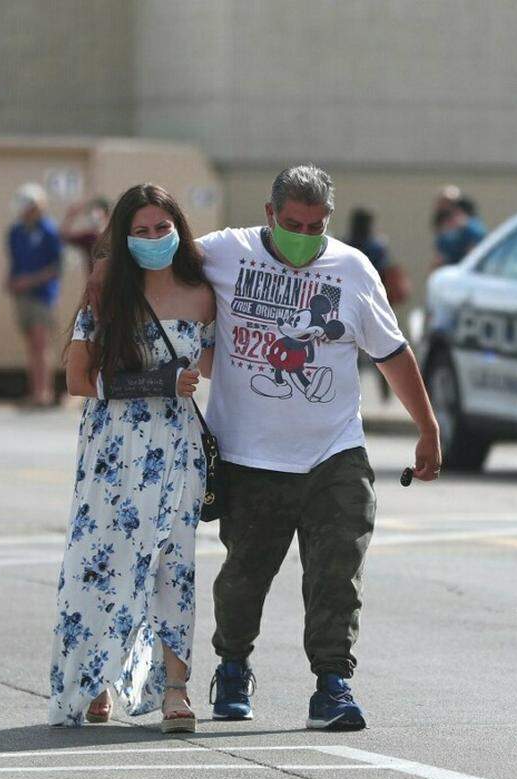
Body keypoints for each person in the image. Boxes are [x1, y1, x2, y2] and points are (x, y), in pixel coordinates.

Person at [192, 165, 440, 729]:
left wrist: (427, 426)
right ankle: (232, 666)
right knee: (245, 575)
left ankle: (333, 685)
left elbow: (391, 351)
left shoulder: (352, 269)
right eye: (292, 223)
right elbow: (158, 273)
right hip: (249, 458)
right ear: (270, 214)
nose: (303, 235)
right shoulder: (223, 253)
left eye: (315, 225)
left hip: (334, 451)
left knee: (337, 572)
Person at [49, 183, 215, 730]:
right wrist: (158, 381)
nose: (152, 239)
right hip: (113, 449)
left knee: (174, 566)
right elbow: (78, 378)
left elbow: (221, 364)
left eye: (161, 229)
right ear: (123, 237)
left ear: (178, 230)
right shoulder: (106, 293)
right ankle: (94, 678)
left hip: (178, 450)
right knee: (102, 563)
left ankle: (175, 691)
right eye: (139, 231)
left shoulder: (203, 292)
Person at [344, 208, 411, 402]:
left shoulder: (346, 244)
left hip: (349, 306)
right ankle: (386, 395)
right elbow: (384, 271)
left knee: (351, 354)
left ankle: (350, 395)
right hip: (374, 306)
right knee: (383, 352)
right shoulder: (377, 246)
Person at [6, 183, 63, 407]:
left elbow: (56, 267)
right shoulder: (16, 231)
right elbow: (15, 262)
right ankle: (35, 390)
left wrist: (29, 280)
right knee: (30, 344)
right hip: (22, 296)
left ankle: (44, 392)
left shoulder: (49, 230)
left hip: (42, 295)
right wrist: (12, 280)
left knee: (41, 343)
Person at [433, 189, 486, 267]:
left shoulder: (471, 226)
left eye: (450, 203)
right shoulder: (442, 228)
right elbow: (440, 256)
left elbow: (476, 250)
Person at [61, 197, 110, 273]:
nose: (93, 215)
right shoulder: (89, 237)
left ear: (106, 214)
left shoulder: (114, 235)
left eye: (97, 210)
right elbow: (64, 236)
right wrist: (71, 215)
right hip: (94, 282)